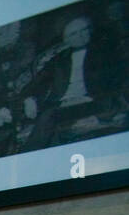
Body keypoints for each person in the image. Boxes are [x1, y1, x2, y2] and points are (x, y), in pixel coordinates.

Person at [23, 14, 129, 150]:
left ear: (90, 30)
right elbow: (37, 82)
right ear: (67, 40)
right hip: (63, 104)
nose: (80, 35)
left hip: (92, 101)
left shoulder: (105, 52)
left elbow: (119, 78)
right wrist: (29, 99)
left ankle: (29, 159)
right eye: (74, 33)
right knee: (49, 116)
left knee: (49, 115)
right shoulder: (59, 59)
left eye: (84, 30)